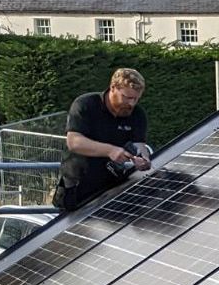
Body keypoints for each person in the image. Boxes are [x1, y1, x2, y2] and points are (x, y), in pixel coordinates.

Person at [53, 68, 152, 211]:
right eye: (127, 97)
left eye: (136, 99)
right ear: (113, 88)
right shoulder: (86, 105)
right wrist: (110, 151)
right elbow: (74, 142)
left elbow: (139, 145)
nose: (131, 103)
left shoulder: (137, 115)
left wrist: (143, 158)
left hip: (111, 190)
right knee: (72, 231)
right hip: (77, 187)